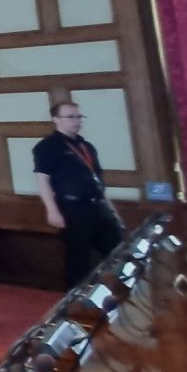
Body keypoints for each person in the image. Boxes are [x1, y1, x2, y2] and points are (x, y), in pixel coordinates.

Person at [33, 101, 124, 287]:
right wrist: (52, 210)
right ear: (56, 119)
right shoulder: (48, 146)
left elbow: (97, 181)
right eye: (70, 117)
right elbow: (43, 180)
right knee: (79, 260)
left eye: (79, 116)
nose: (76, 121)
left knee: (118, 251)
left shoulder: (86, 146)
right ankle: (74, 306)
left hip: (97, 206)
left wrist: (111, 209)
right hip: (72, 209)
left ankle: (121, 293)